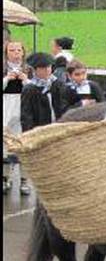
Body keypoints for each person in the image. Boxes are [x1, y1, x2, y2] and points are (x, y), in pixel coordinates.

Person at [19, 52, 67, 195]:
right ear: (35, 70)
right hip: (41, 128)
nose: (47, 70)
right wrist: (29, 134)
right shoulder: (30, 88)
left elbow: (64, 105)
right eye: (42, 68)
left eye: (48, 67)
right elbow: (26, 114)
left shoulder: (57, 84)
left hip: (57, 126)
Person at [3, 40, 31, 195]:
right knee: (6, 142)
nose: (15, 53)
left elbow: (36, 88)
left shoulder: (28, 69)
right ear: (6, 53)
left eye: (18, 50)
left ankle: (24, 181)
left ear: (22, 52)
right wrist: (7, 78)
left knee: (22, 142)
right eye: (11, 50)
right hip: (6, 105)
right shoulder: (4, 68)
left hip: (23, 105)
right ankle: (6, 178)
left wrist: (24, 79)